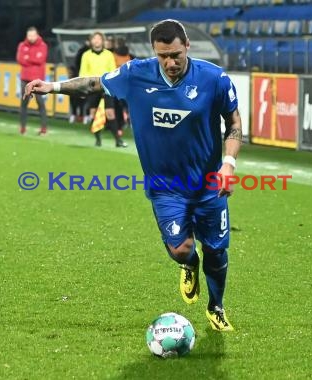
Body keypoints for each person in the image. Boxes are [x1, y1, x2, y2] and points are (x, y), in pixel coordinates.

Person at [24, 19, 242, 331]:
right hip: (165, 185)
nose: (170, 62)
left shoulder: (214, 78)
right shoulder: (136, 73)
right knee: (180, 249)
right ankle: (189, 265)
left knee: (217, 250)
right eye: (163, 56)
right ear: (155, 52)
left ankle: (216, 306)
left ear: (187, 47)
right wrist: (53, 86)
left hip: (209, 183)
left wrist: (229, 164)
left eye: (176, 55)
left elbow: (233, 123)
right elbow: (94, 84)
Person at [79, 31, 127, 147]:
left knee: (110, 112)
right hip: (92, 87)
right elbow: (83, 72)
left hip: (106, 87)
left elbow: (113, 71)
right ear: (91, 41)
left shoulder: (108, 55)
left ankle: (117, 140)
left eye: (98, 39)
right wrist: (84, 86)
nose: (96, 41)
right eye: (94, 38)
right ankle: (98, 139)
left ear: (102, 41)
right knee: (93, 113)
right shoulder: (86, 55)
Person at [16, 26, 48, 136]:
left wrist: (28, 58)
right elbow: (20, 60)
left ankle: (43, 129)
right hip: (25, 79)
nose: (31, 38)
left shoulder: (43, 46)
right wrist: (32, 59)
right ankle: (22, 128)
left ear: (37, 35)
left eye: (33, 35)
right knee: (24, 104)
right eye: (29, 35)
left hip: (38, 81)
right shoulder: (22, 45)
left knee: (40, 104)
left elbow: (40, 60)